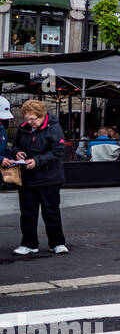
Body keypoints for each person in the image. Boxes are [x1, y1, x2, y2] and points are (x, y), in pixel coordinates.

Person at [3, 99, 68, 255]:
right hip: (27, 177)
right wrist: (17, 152)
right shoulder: (22, 128)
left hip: (49, 177)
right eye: (27, 119)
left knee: (51, 211)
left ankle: (57, 243)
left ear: (42, 115)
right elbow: (16, 144)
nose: (30, 122)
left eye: (33, 119)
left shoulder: (54, 128)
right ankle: (29, 243)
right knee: (27, 213)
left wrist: (38, 160)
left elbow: (58, 150)